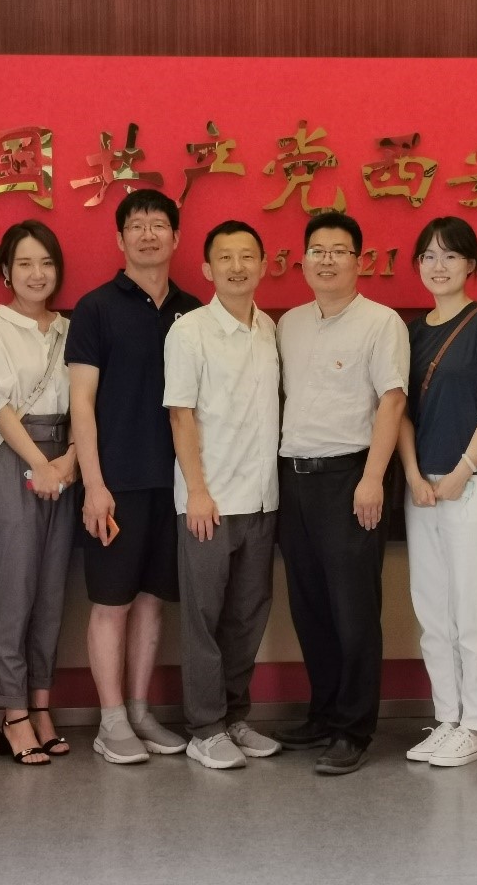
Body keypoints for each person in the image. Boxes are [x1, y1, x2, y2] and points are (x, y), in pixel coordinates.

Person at [272, 211, 409, 776]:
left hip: (350, 478)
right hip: (293, 478)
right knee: (309, 607)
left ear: (359, 260)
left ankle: (354, 728)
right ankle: (324, 712)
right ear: (303, 260)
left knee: (353, 611)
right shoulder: (288, 324)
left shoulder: (381, 323)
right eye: (317, 251)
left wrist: (373, 477)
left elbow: (392, 402)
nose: (326, 260)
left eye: (339, 251)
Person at [67, 189, 201, 764]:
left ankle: (142, 711)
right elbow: (81, 403)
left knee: (152, 601)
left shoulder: (195, 311)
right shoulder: (95, 308)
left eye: (158, 225)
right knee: (111, 602)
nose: (148, 234)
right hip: (116, 482)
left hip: (175, 484)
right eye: (137, 225)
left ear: (176, 237)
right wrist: (94, 485)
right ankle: (111, 719)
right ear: (120, 238)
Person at [397, 217, 477, 768]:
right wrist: (413, 475)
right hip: (423, 490)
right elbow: (398, 410)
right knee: (433, 611)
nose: (438, 265)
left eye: (449, 255)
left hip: (474, 488)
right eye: (428, 255)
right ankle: (447, 718)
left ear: (471, 264)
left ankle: (476, 726)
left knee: (473, 612)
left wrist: (462, 471)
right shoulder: (409, 332)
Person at [164, 220, 281, 770]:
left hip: (262, 499)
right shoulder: (189, 332)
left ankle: (235, 717)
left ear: (263, 265)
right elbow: (181, 415)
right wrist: (197, 492)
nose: (237, 267)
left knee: (247, 616)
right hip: (209, 501)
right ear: (207, 269)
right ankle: (204, 728)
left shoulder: (269, 329)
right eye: (225, 258)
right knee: (204, 620)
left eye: (247, 256)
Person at [0, 220, 76, 766]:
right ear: (6, 271)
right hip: (16, 460)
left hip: (66, 462)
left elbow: (88, 402)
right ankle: (12, 714)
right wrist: (40, 464)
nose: (37, 274)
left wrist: (70, 460)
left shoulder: (71, 329)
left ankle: (41, 706)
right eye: (25, 263)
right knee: (16, 592)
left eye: (46, 263)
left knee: (52, 593)